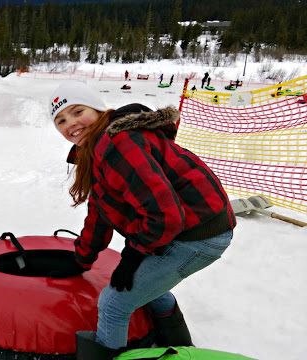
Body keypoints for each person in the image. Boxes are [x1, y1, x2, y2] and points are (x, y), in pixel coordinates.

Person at [47, 82, 236, 359]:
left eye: (77, 111)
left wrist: (133, 254)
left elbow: (164, 214)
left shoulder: (116, 143)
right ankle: (178, 347)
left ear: (98, 109)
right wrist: (81, 258)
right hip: (183, 230)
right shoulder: (97, 149)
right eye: (61, 120)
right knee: (147, 288)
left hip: (199, 235)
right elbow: (100, 211)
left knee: (114, 304)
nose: (71, 124)